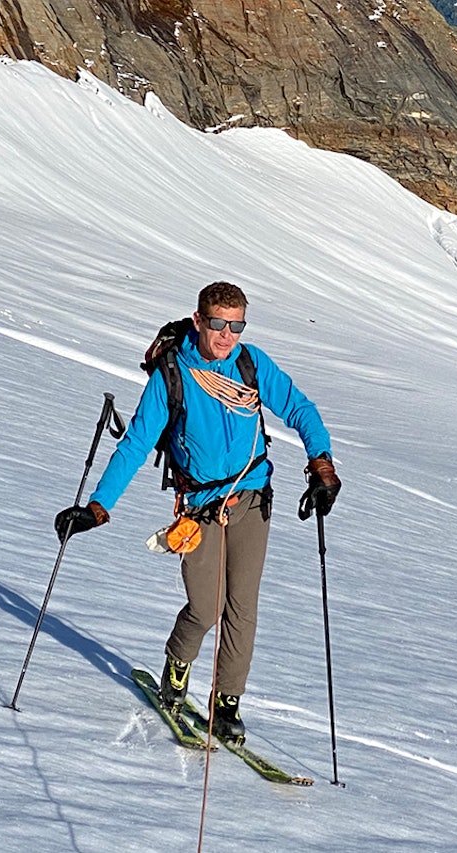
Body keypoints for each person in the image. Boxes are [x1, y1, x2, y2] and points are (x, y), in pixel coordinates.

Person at [55, 281, 340, 742]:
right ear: (198, 321)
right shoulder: (171, 373)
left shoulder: (250, 364)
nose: (227, 335)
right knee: (206, 607)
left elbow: (299, 407)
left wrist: (321, 462)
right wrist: (98, 506)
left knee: (241, 607)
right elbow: (136, 444)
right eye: (218, 324)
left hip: (252, 495)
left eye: (236, 325)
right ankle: (177, 666)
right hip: (201, 507)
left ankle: (227, 704)